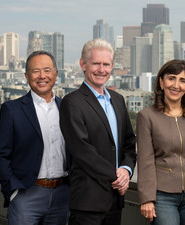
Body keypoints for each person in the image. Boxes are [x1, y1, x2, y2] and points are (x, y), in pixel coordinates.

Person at [59, 38, 136, 225]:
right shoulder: (72, 102)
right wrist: (117, 178)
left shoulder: (117, 100)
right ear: (82, 64)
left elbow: (129, 142)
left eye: (106, 64)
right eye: (96, 64)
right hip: (87, 202)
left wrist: (126, 170)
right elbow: (82, 151)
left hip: (115, 201)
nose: (101, 70)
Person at [0, 50, 70, 225]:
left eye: (47, 70)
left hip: (63, 195)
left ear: (56, 75)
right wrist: (13, 191)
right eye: (35, 71)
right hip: (26, 194)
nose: (42, 76)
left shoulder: (68, 108)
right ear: (27, 76)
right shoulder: (12, 110)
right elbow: (0, 156)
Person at [137, 59, 185, 225]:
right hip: (162, 195)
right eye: (171, 78)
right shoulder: (146, 117)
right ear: (161, 82)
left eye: (182, 80)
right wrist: (147, 198)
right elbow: (145, 161)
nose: (176, 85)